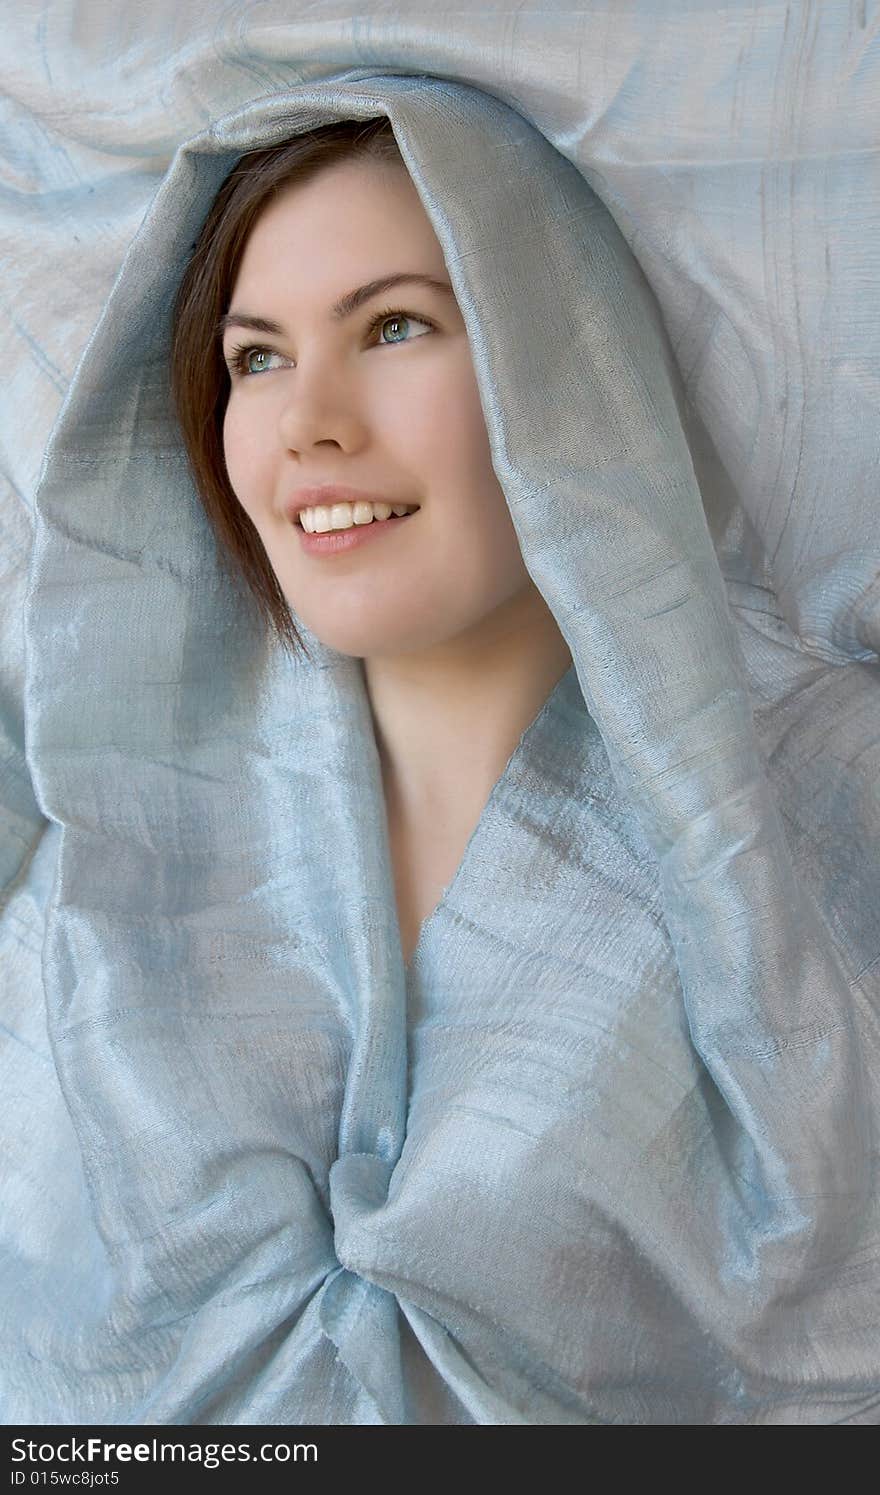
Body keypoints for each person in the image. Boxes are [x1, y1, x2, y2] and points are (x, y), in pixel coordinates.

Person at [10, 76, 880, 1425]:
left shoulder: (829, 807)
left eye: (397, 325)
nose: (309, 425)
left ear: (559, 370)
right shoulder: (83, 896)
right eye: (256, 357)